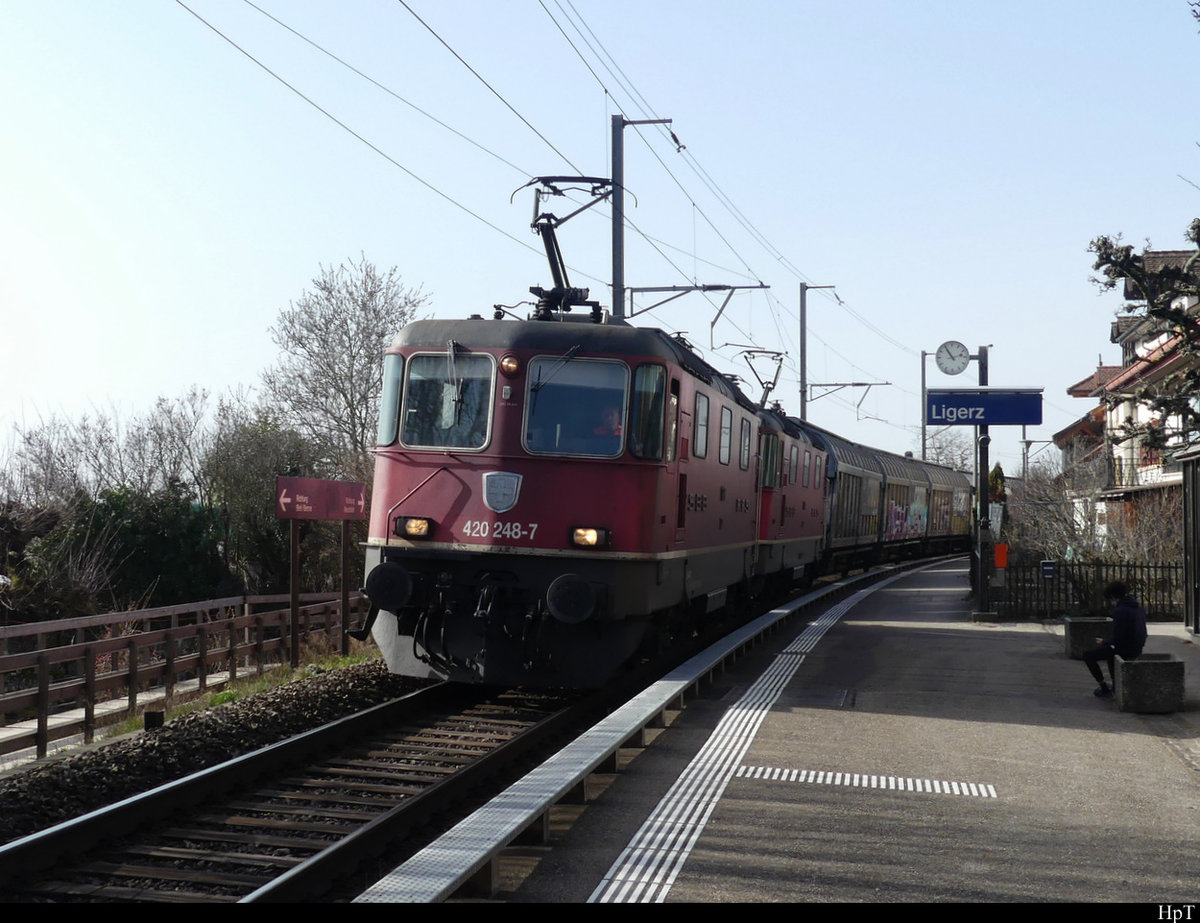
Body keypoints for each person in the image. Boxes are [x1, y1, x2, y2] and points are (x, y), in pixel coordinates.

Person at [1083, 580, 1148, 699]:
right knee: (1109, 651)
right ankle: (1115, 684)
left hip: (1124, 648)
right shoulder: (1138, 608)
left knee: (1089, 655)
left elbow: (1118, 637)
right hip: (1137, 647)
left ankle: (1103, 686)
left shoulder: (1120, 611)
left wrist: (1105, 641)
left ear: (1113, 597)